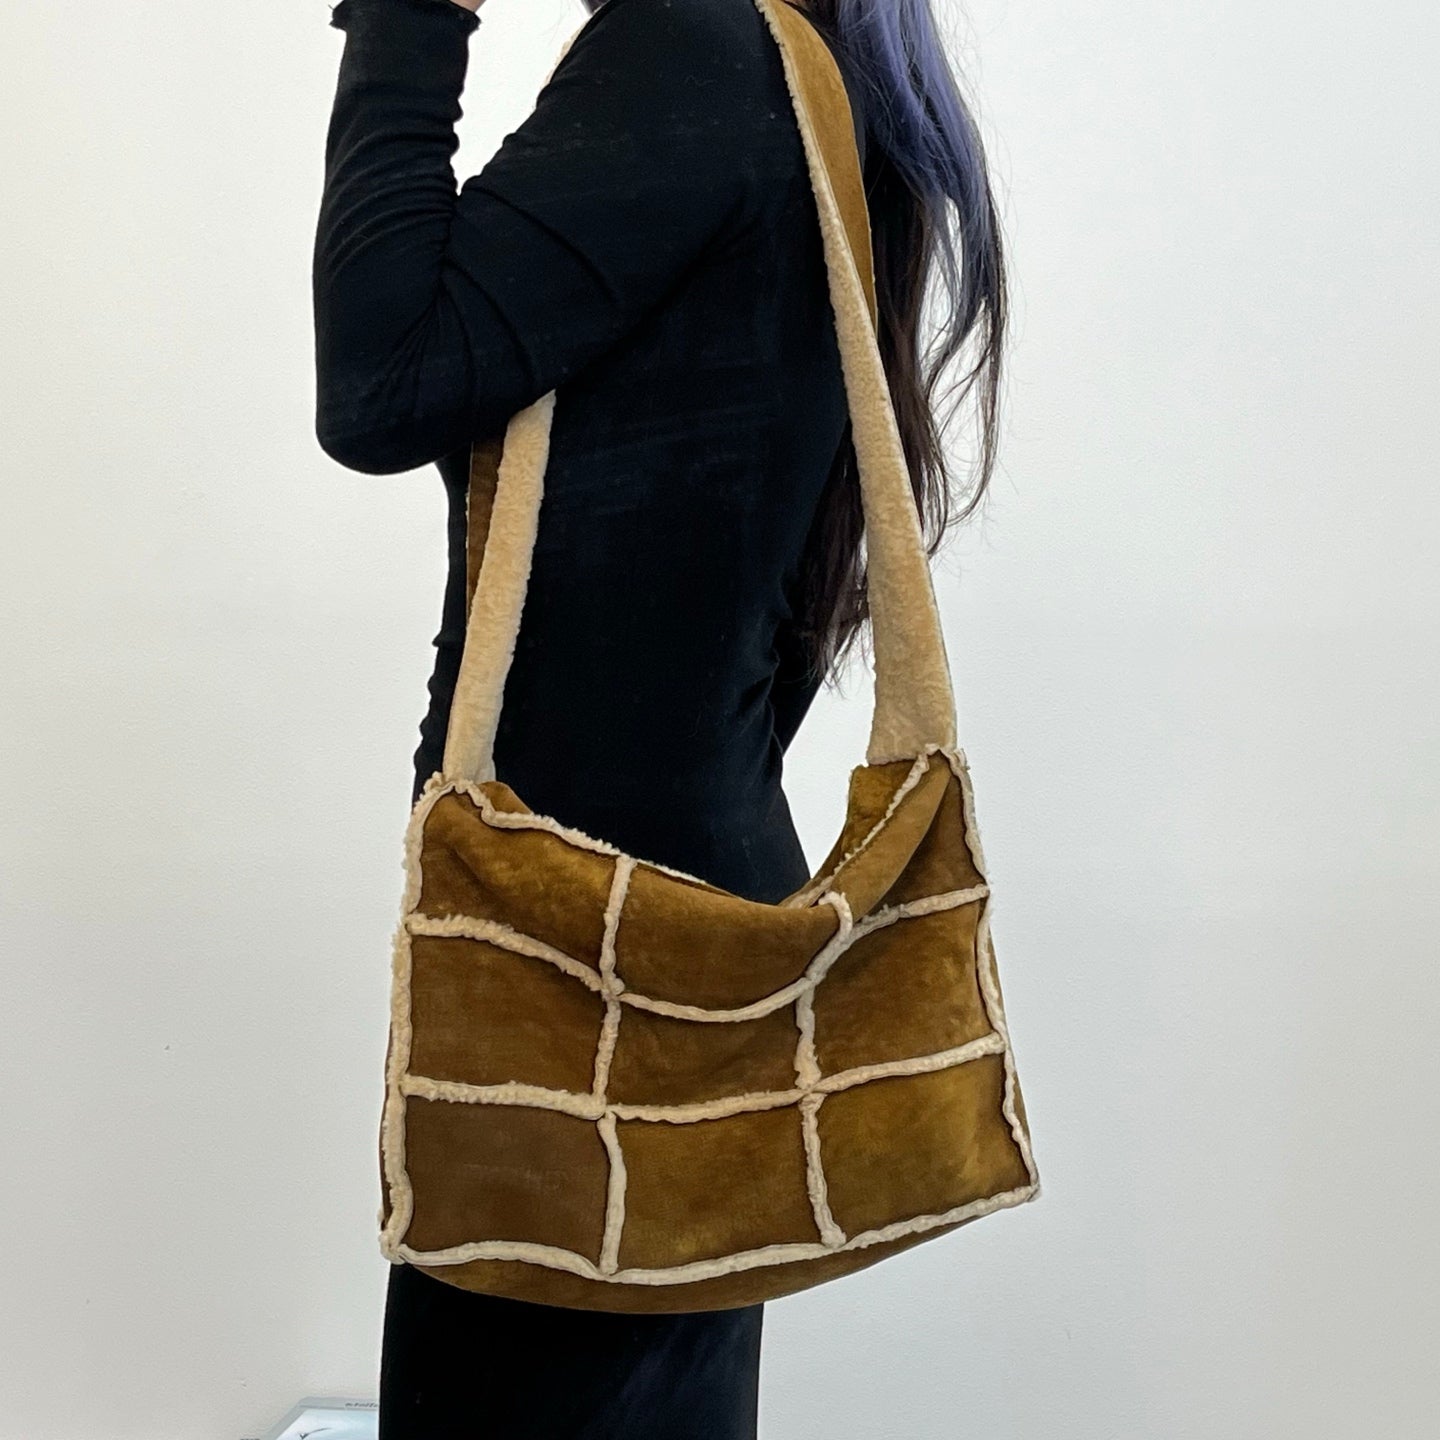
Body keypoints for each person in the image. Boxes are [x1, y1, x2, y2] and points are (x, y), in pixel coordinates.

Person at [312, 0, 1007, 1433]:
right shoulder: (810, 71)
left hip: (574, 956)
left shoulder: (691, 49)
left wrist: (410, 19)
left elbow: (379, 380)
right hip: (693, 909)